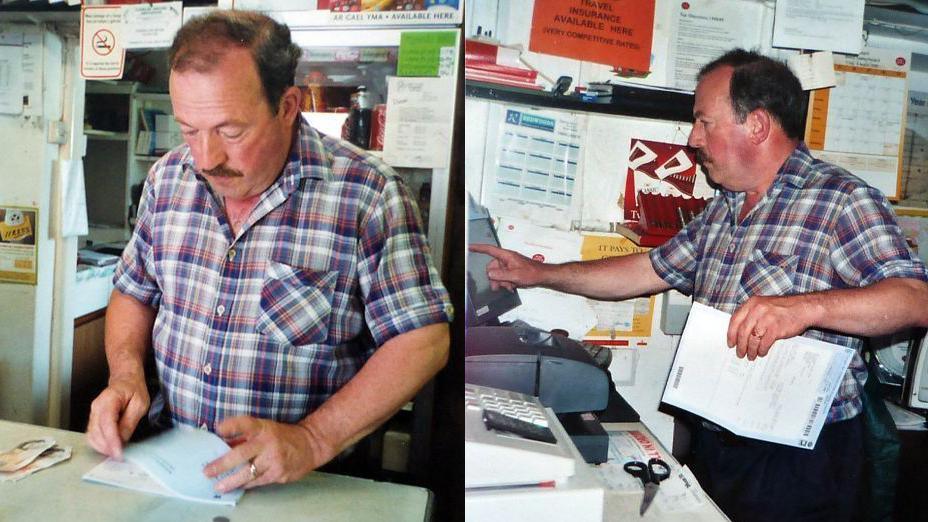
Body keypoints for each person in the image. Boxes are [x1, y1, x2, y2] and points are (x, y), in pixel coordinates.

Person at [471, 48, 928, 521]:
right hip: (715, 442)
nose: (693, 139)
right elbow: (647, 270)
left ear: (757, 125)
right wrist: (539, 273)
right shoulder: (726, 206)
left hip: (801, 463)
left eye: (705, 122)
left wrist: (804, 308)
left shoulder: (841, 199)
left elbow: (915, 299)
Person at [85, 10, 452, 494]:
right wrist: (127, 375)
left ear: (287, 105)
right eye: (189, 130)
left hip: (309, 483)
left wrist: (312, 439)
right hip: (174, 470)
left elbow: (423, 339)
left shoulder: (367, 194)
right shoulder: (168, 180)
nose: (206, 158)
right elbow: (134, 292)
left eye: (230, 132)